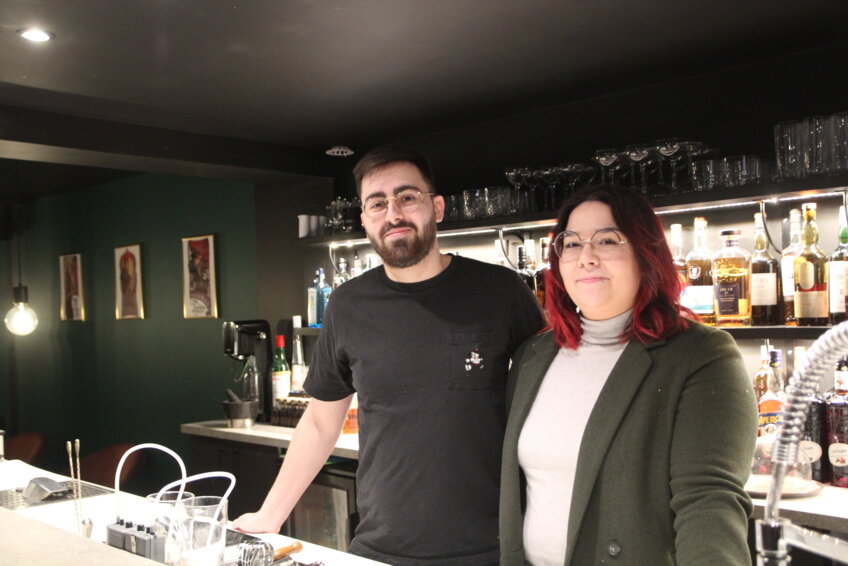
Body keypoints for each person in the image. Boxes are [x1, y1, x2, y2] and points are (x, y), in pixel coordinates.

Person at [234, 146, 545, 566]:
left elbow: (550, 400)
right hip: (379, 547)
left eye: (407, 197)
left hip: (489, 547)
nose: (393, 213)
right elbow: (321, 423)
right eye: (377, 203)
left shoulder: (501, 292)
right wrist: (270, 516)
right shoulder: (347, 304)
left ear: (436, 207)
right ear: (364, 220)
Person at [499, 184, 758, 566]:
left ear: (645, 252)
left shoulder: (700, 356)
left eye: (607, 240)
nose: (586, 257)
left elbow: (708, 499)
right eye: (571, 243)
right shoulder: (532, 355)